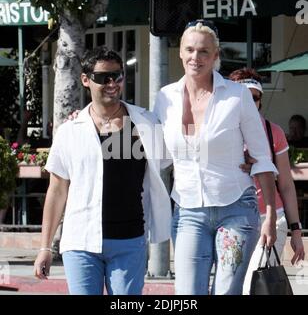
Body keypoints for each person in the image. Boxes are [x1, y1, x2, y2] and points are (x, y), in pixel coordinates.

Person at [33, 46, 172, 295]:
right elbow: (56, 191)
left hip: (130, 240)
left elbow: (176, 159)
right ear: (85, 80)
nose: (112, 83)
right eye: (102, 77)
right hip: (81, 242)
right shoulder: (71, 130)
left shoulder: (145, 123)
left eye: (117, 76)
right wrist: (45, 247)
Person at [153, 19, 278, 295]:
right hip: (188, 210)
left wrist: (269, 214)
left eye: (203, 52)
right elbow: (150, 144)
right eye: (190, 50)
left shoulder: (236, 96)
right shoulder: (165, 98)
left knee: (226, 292)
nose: (195, 57)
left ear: (216, 55)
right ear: (180, 53)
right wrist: (96, 116)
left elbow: (262, 158)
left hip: (236, 209)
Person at [229, 68, 305, 294]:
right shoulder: (220, 132)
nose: (251, 103)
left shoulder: (273, 132)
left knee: (250, 287)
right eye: (245, 97)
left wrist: (296, 231)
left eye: (255, 98)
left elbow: (286, 186)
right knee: (230, 287)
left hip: (270, 219)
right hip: (231, 220)